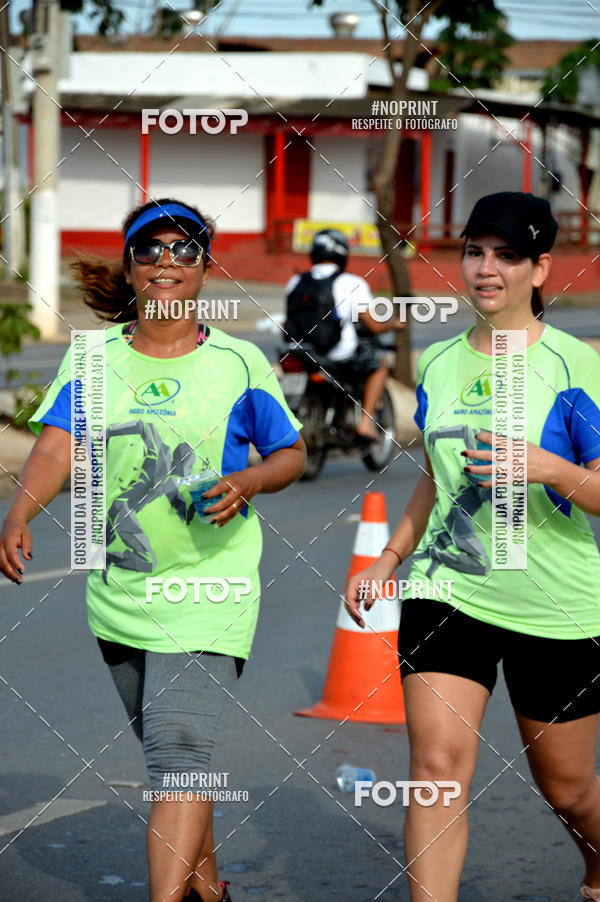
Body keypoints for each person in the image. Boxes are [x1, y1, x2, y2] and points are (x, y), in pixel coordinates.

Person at [0, 198, 306, 902]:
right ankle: (209, 891)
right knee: (174, 763)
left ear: (205, 268)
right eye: (150, 250)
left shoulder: (238, 362)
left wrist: (250, 478)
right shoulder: (96, 359)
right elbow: (58, 443)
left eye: (184, 250)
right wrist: (20, 511)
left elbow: (290, 452)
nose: (166, 263)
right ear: (131, 267)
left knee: (181, 756)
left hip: (211, 589)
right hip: (121, 595)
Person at [345, 191, 600, 902]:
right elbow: (436, 478)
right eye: (476, 251)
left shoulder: (577, 366)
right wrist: (391, 558)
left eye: (508, 255)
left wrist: (546, 466)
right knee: (434, 768)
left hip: (556, 600)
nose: (487, 268)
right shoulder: (438, 363)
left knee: (570, 789)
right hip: (447, 586)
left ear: (542, 268)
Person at [284, 228, 405, 442]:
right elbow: (374, 326)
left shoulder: (295, 282)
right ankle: (366, 425)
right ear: (342, 253)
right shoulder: (352, 283)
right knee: (379, 364)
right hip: (339, 355)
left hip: (302, 352)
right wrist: (393, 324)